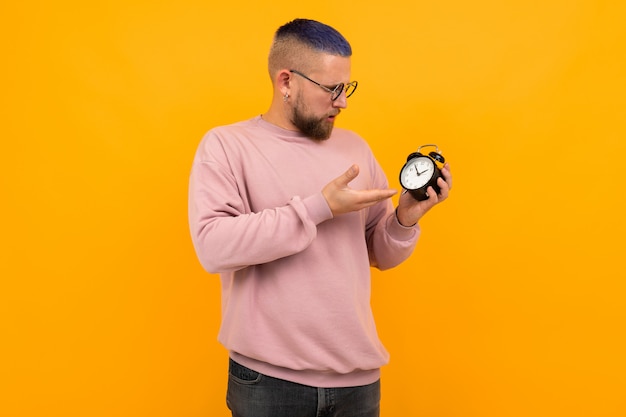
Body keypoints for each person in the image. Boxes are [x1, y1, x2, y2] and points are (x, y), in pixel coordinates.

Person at [188, 18, 452, 417]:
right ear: (286, 81)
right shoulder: (227, 146)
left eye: (346, 88)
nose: (343, 101)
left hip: (357, 383)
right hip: (268, 383)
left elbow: (380, 253)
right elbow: (213, 247)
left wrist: (405, 218)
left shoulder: (355, 148)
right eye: (332, 89)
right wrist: (319, 207)